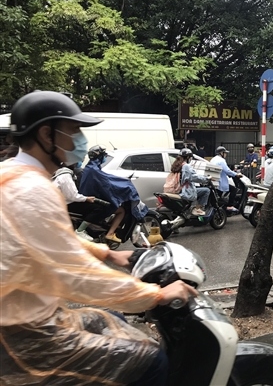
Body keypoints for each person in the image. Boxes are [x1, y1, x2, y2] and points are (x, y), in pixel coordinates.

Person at [1, 90, 197, 385]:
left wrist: (108, 254)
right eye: (73, 131)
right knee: (151, 359)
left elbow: (49, 239)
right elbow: (77, 275)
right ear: (46, 134)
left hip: (26, 317)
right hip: (23, 337)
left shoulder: (13, 175)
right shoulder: (31, 190)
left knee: (113, 319)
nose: (80, 140)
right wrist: (154, 296)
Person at [80, 145, 129, 244]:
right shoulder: (95, 170)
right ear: (100, 156)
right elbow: (106, 184)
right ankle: (110, 233)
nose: (105, 157)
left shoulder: (91, 167)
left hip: (88, 197)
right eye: (104, 155)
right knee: (121, 211)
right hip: (91, 200)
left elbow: (106, 180)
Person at [52, 162, 97, 241]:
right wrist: (86, 198)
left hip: (61, 201)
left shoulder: (61, 172)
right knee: (97, 208)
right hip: (65, 203)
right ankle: (80, 231)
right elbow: (72, 196)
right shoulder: (66, 175)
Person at [174, 148, 210, 216]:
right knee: (206, 190)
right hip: (186, 190)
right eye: (190, 157)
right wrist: (206, 179)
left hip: (179, 189)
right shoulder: (186, 166)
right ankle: (197, 209)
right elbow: (194, 177)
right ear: (187, 157)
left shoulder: (177, 165)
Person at [210, 146, 242, 214]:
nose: (226, 155)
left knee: (218, 196)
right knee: (233, 189)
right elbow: (227, 170)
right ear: (221, 153)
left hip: (214, 181)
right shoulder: (221, 160)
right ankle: (230, 205)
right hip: (220, 181)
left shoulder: (213, 159)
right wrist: (236, 174)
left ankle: (221, 207)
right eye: (225, 153)